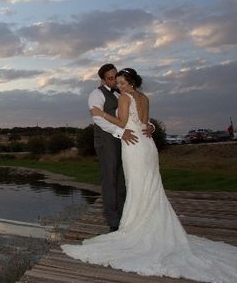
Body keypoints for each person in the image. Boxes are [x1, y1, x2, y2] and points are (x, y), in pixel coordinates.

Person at [63, 68, 237, 282]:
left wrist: (103, 114)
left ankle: (135, 227)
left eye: (121, 81)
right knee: (148, 186)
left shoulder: (125, 97)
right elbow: (144, 121)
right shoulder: (137, 96)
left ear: (130, 83)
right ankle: (131, 222)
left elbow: (122, 122)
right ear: (103, 79)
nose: (118, 84)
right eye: (114, 81)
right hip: (146, 145)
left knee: (136, 186)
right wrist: (149, 126)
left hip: (133, 145)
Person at [88, 63, 151, 232]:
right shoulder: (96, 94)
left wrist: (151, 126)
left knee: (122, 180)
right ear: (102, 80)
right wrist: (119, 132)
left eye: (115, 76)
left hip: (125, 141)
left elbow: (135, 116)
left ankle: (124, 213)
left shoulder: (122, 94)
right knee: (110, 180)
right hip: (107, 140)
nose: (115, 80)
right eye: (110, 78)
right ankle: (113, 221)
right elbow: (98, 119)